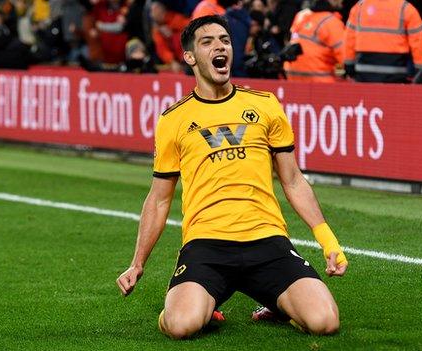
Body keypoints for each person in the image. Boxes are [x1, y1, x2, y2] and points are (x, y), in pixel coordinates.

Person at [116, 15, 348, 339]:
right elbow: (159, 198)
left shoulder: (265, 105)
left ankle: (276, 304)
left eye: (224, 40)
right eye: (207, 42)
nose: (219, 46)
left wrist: (328, 241)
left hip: (267, 239)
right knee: (180, 325)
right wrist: (137, 263)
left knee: (325, 321)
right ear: (190, 57)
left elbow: (293, 181)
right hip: (206, 244)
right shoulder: (173, 119)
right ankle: (204, 307)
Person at [344, 0, 422, 83]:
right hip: (395, 74)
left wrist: (349, 67)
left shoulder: (359, 7)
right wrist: (420, 70)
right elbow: (418, 41)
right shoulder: (406, 8)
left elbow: (349, 39)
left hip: (363, 72)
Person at [284, 0, 345, 83]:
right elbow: (344, 58)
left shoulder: (301, 16)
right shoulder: (332, 23)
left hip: (293, 78)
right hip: (320, 82)